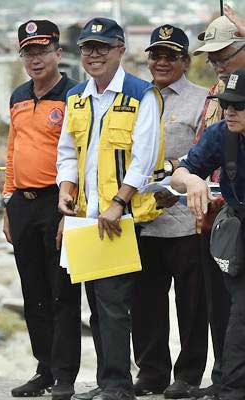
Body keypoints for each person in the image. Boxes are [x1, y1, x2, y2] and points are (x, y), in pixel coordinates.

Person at [56, 18, 164, 400]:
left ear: (121, 49)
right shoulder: (78, 97)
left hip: (122, 216)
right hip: (86, 217)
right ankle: (107, 383)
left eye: (103, 47)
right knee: (98, 307)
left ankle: (118, 385)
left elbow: (144, 157)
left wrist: (119, 202)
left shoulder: (141, 94)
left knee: (115, 304)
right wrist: (65, 190)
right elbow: (68, 151)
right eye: (88, 48)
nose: (94, 54)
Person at [1, 19, 80, 400]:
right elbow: (12, 151)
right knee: (33, 292)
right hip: (23, 204)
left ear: (58, 54)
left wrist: (70, 210)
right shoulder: (17, 95)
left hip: (57, 203)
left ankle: (65, 374)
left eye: (42, 50)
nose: (35, 58)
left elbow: (79, 155)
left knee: (62, 291)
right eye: (28, 52)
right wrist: (7, 203)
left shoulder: (73, 95)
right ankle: (44, 369)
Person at [130, 25, 208, 399]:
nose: (161, 62)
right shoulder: (136, 98)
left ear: (185, 61)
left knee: (191, 307)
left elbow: (207, 157)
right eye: (155, 55)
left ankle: (189, 375)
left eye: (170, 56)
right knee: (145, 304)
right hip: (143, 221)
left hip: (186, 221)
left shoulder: (203, 100)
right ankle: (152, 373)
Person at [171, 68, 245, 400]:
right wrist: (192, 180)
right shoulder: (220, 135)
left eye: (239, 106)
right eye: (226, 104)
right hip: (237, 232)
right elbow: (180, 173)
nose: (230, 111)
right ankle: (230, 387)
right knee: (238, 312)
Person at [187, 7, 245, 398]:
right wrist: (192, 180)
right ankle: (227, 380)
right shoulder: (220, 96)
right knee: (227, 312)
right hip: (223, 218)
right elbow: (195, 157)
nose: (215, 63)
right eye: (212, 56)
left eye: (224, 55)